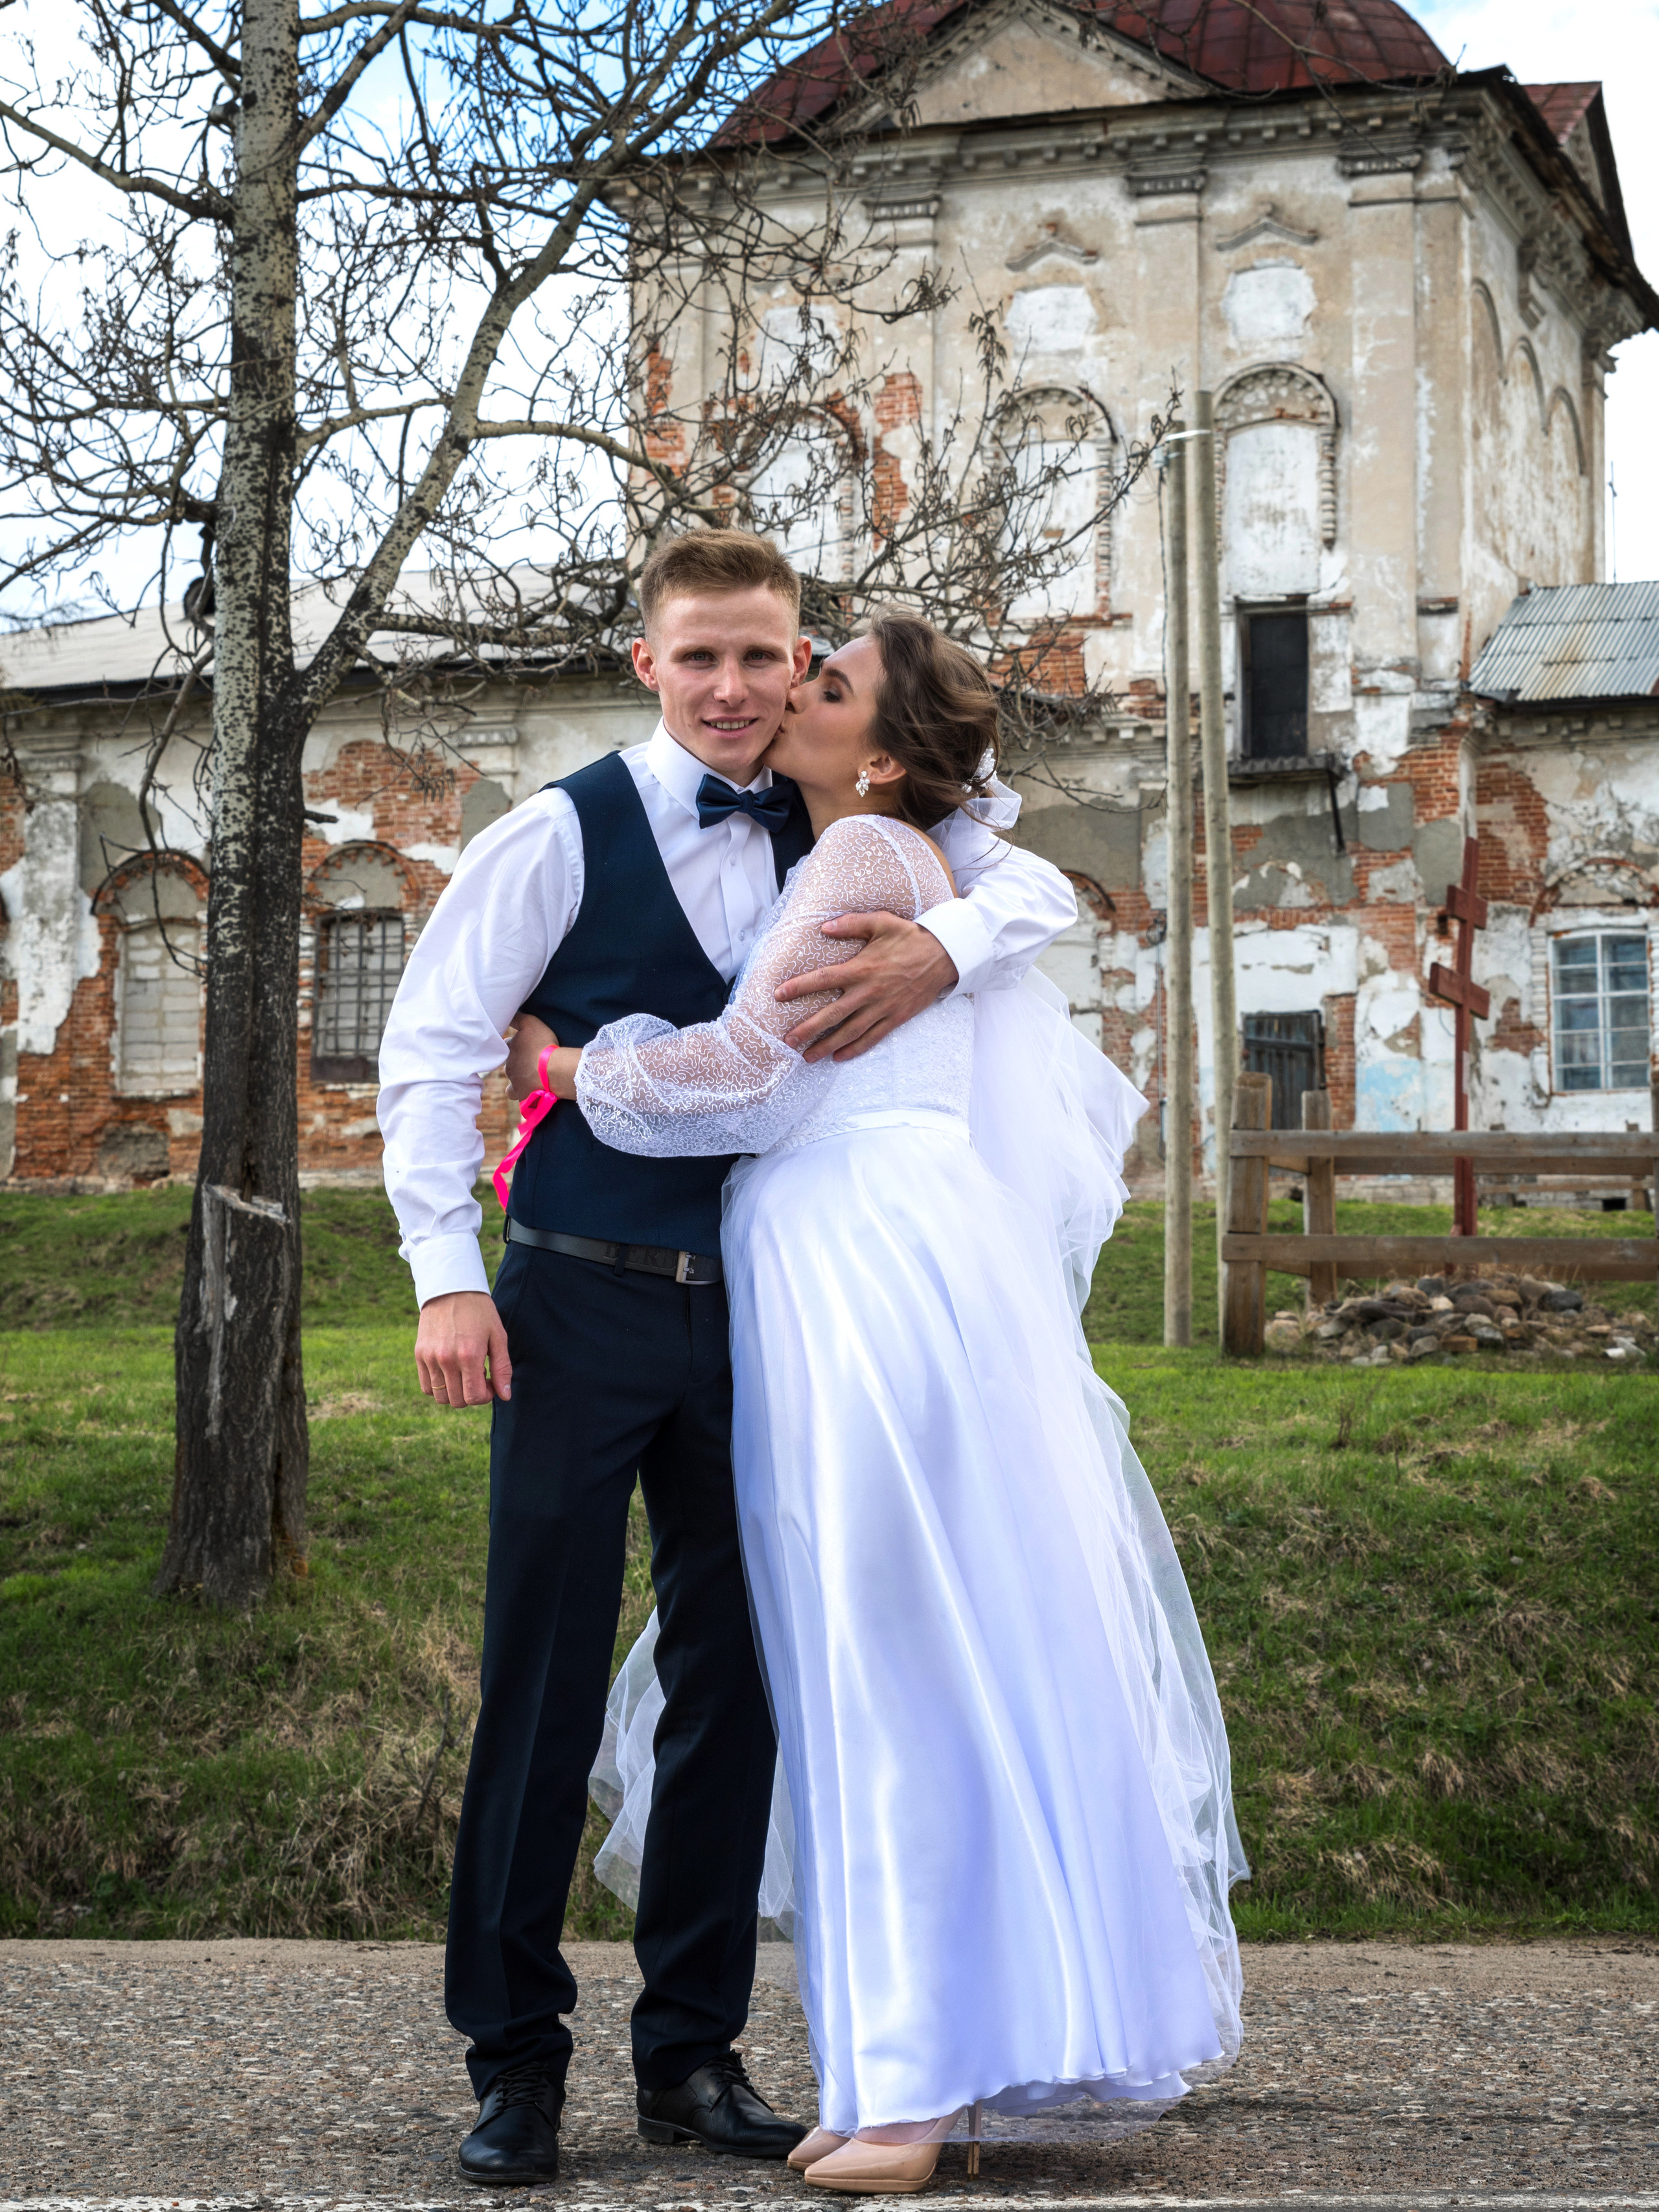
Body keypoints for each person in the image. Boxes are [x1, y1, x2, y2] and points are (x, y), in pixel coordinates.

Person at [509, 610, 1247, 2196]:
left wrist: (571, 1072)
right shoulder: (888, 851)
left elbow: (752, 1076)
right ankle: (891, 2065)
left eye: (823, 685)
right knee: (870, 1652)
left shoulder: (859, 861)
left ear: (889, 754)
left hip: (857, 1263)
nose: (787, 694)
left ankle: (905, 2093)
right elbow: (1007, 882)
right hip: (849, 1254)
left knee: (881, 1651)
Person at [376, 530, 1078, 2186]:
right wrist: (440, 1280)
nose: (735, 690)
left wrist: (946, 944)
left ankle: (689, 2054)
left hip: (765, 1307)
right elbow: (431, 1050)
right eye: (700, 657)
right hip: (573, 1300)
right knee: (541, 1679)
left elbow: (1038, 880)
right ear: (647, 663)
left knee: (737, 1686)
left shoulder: (856, 821)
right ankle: (515, 2060)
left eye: (767, 658)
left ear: (797, 662)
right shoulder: (558, 830)